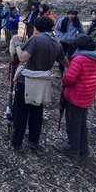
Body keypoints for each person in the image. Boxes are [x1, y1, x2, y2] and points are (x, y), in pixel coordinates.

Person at [10, 16, 67, 153]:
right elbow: (65, 62)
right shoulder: (56, 43)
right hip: (44, 82)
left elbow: (22, 58)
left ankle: (17, 143)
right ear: (51, 28)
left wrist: (17, 44)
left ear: (36, 28)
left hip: (27, 81)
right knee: (37, 112)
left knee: (21, 112)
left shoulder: (35, 39)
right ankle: (34, 141)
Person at [55, 35, 96, 156]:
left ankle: (72, 148)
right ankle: (83, 148)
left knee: (73, 123)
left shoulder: (79, 59)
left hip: (75, 96)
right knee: (82, 123)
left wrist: (63, 81)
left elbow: (69, 78)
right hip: (87, 96)